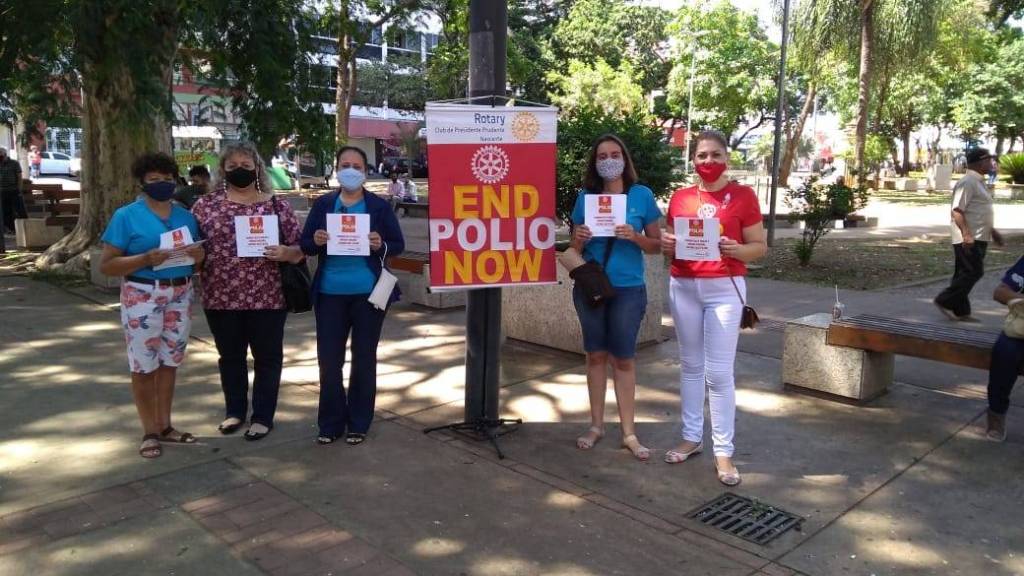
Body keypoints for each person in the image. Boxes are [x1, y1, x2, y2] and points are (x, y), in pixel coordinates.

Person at [661, 130, 766, 486]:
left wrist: (738, 250)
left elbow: (759, 246)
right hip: (684, 285)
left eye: (716, 154)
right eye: (702, 155)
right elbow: (671, 243)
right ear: (693, 160)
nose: (709, 161)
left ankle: (724, 452)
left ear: (727, 158)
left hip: (724, 288)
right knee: (690, 366)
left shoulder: (743, 196)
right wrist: (667, 244)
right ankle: (691, 437)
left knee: (718, 374)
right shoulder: (681, 198)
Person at [192, 142, 304, 441]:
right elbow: (192, 247)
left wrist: (286, 252)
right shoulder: (205, 206)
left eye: (245, 165)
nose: (239, 170)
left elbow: (301, 248)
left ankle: (263, 416)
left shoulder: (277, 206)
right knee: (230, 357)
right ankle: (235, 411)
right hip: (220, 296)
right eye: (232, 166)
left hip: (268, 296)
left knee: (268, 358)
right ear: (222, 170)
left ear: (257, 168)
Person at [98, 152, 205, 458]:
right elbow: (107, 264)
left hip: (180, 292)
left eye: (167, 179)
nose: (162, 184)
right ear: (142, 182)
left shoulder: (186, 217)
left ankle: (165, 425)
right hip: (143, 293)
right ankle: (149, 431)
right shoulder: (126, 216)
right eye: (154, 179)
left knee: (170, 361)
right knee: (144, 364)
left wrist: (199, 258)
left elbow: (196, 261)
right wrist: (145, 258)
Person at [301, 146, 404, 446]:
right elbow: (305, 244)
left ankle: (359, 422)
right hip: (329, 294)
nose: (350, 170)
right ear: (336, 169)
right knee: (329, 361)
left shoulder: (378, 207)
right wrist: (316, 240)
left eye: (356, 166)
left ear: (365, 171)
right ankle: (331, 423)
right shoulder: (324, 205)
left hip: (368, 296)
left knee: (364, 359)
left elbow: (397, 244)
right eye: (345, 165)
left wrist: (380, 245)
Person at [570, 134, 663, 461]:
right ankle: (596, 426)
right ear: (595, 163)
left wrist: (634, 236)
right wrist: (579, 238)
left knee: (623, 359)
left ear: (624, 158)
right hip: (592, 287)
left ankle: (628, 433)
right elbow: (573, 248)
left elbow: (657, 246)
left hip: (628, 289)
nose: (608, 160)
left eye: (614, 154)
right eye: (602, 156)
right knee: (595, 356)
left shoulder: (642, 195)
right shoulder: (586, 197)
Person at [934, 147, 1003, 321]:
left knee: (963, 273)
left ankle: (961, 312)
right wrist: (966, 234)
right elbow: (957, 210)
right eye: (988, 160)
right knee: (974, 271)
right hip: (969, 237)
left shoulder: (979, 182)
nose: (991, 163)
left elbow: (979, 211)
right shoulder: (968, 182)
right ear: (980, 162)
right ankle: (944, 300)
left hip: (980, 235)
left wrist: (993, 231)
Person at [986, 256, 1024, 441]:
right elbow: (1000, 292)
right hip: (1021, 330)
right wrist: (1020, 299)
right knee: (1005, 351)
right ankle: (996, 413)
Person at [0, 147, 27, 234]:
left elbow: (19, 177)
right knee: (6, 211)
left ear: (5, 155)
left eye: (1, 156)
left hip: (14, 190)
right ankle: (11, 228)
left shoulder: (14, 163)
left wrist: (19, 189)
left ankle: (26, 226)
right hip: (2, 191)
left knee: (20, 210)